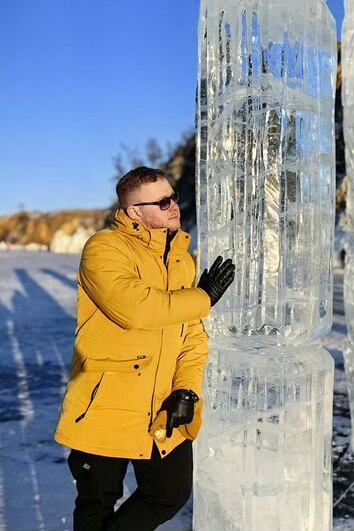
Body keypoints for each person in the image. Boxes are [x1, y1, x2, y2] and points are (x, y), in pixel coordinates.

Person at [54, 166, 235, 531]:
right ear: (134, 211)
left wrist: (187, 388)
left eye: (174, 197)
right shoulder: (104, 248)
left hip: (162, 405)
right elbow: (136, 309)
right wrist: (203, 297)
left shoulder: (182, 258)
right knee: (96, 506)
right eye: (163, 201)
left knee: (169, 493)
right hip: (106, 404)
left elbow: (192, 335)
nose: (174, 206)